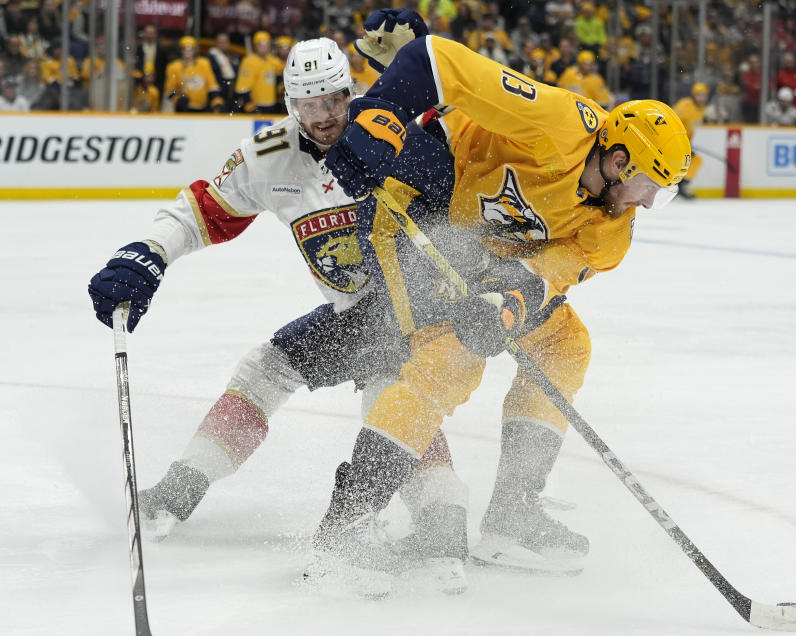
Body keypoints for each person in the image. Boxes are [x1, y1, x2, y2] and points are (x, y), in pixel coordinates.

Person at [87, 38, 469, 599]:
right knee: (266, 373)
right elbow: (199, 213)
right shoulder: (268, 157)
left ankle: (443, 522)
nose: (324, 115)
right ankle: (181, 488)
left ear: (350, 92)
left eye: (334, 99)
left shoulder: (392, 136)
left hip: (419, 312)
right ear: (290, 103)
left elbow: (457, 190)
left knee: (395, 405)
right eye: (309, 103)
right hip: (352, 313)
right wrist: (146, 252)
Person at [325, 9, 690, 576]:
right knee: (449, 361)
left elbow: (547, 275)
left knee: (564, 344)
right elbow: (436, 60)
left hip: (483, 248)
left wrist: (509, 303)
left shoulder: (612, 230)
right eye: (649, 185)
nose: (648, 202)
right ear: (619, 161)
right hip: (420, 201)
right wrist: (383, 110)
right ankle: (346, 524)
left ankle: (513, 513)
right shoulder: (559, 123)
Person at [164, 35, 223, 113]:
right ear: (181, 50)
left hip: (203, 108)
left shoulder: (204, 63)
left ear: (195, 50)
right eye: (185, 49)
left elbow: (212, 84)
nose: (188, 52)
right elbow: (169, 90)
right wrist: (177, 99)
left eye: (191, 49)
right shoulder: (174, 67)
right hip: (183, 109)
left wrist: (216, 100)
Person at [672, 82, 708, 198]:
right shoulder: (685, 105)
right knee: (692, 161)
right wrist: (679, 142)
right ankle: (676, 186)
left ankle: (680, 185)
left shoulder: (702, 109)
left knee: (696, 161)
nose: (701, 97)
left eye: (703, 95)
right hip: (675, 140)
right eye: (698, 94)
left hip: (685, 142)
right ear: (693, 95)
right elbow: (671, 121)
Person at [235, 30, 285, 114]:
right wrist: (248, 102)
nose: (264, 47)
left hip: (272, 105)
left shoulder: (273, 60)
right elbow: (242, 87)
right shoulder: (248, 61)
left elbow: (282, 72)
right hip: (255, 106)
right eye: (260, 44)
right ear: (255, 45)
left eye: (266, 44)